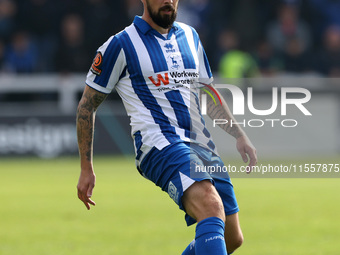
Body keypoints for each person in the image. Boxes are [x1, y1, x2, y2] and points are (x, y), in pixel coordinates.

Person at [76, 1, 257, 254]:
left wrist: (238, 133)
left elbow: (207, 92)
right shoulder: (120, 44)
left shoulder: (191, 36)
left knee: (231, 237)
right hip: (158, 144)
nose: (168, 1)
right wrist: (87, 168)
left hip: (199, 145)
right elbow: (86, 107)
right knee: (210, 205)